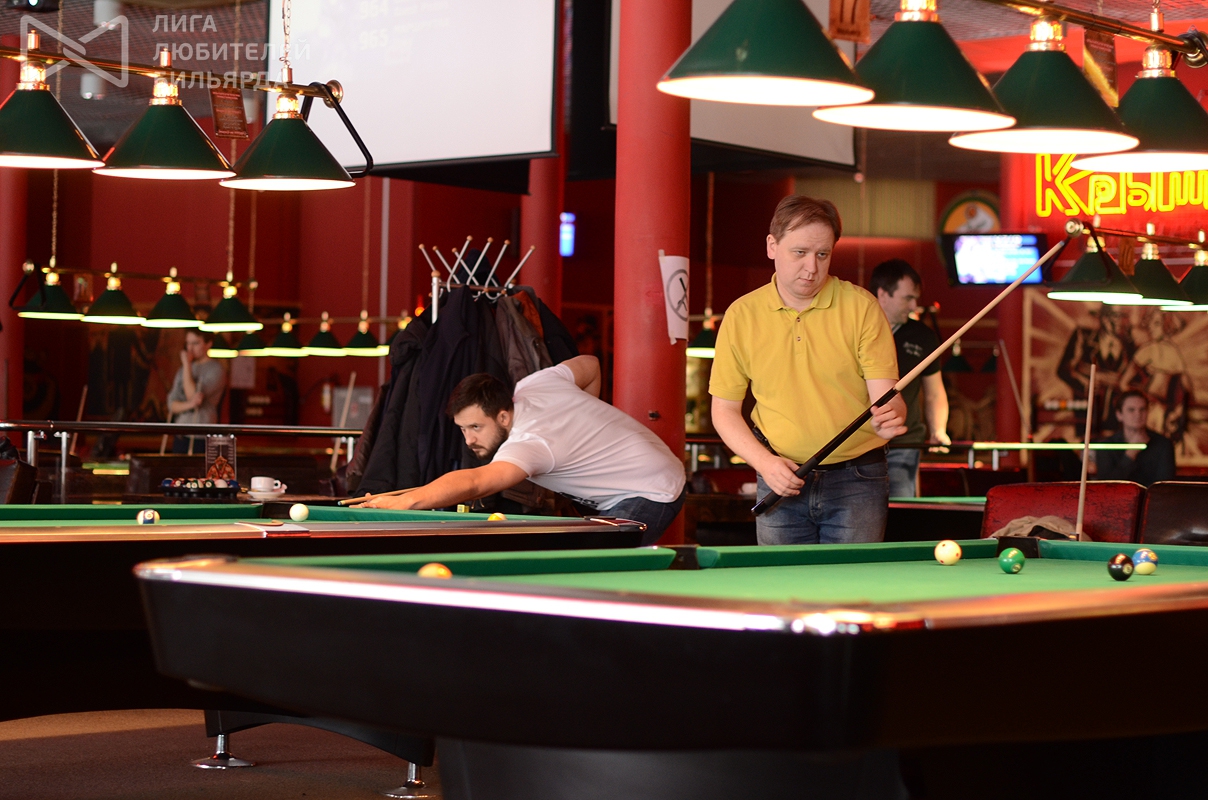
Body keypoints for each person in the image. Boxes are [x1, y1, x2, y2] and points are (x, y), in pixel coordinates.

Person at [709, 195, 907, 546]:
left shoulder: (862, 307)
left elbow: (886, 397)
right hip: (779, 475)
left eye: (822, 254)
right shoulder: (741, 316)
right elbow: (723, 411)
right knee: (782, 583)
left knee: (853, 582)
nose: (812, 268)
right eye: (799, 252)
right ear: (772, 246)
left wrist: (891, 414)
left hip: (857, 478)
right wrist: (765, 464)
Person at [363, 356, 687, 545]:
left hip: (652, 490)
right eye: (463, 429)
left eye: (476, 427)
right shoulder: (534, 384)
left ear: (503, 416)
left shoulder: (530, 443)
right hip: (645, 472)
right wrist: (583, 422)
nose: (469, 440)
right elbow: (590, 364)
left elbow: (475, 483)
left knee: (594, 562)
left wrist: (403, 502)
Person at [870, 259, 950, 497]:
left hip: (905, 442)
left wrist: (938, 430)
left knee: (901, 511)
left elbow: (934, 392)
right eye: (907, 298)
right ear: (883, 294)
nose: (914, 305)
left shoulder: (923, 336)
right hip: (859, 444)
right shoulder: (855, 328)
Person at [1093, 390, 1176, 487]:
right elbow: (1107, 487)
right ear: (1119, 415)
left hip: (1152, 497)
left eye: (1142, 409)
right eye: (1131, 410)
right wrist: (1130, 455)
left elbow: (1165, 487)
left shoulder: (1163, 444)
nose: (1138, 414)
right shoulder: (1105, 446)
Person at [167, 330, 226, 454]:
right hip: (181, 434)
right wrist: (190, 404)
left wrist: (187, 364)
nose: (190, 348)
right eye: (188, 343)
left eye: (195, 343)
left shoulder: (216, 369)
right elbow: (171, 404)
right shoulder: (183, 369)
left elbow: (192, 395)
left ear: (208, 344)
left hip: (201, 436)